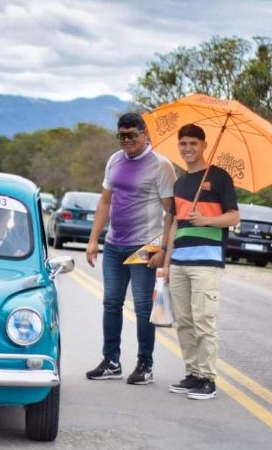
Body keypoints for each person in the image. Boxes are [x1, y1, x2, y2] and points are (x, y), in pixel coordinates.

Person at [84, 112, 176, 385]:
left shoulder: (161, 166)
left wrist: (162, 249)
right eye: (121, 135)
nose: (126, 141)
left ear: (144, 134)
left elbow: (171, 213)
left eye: (132, 135)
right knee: (111, 303)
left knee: (144, 306)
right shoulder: (114, 160)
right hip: (114, 244)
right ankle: (111, 361)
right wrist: (93, 239)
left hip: (145, 245)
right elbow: (104, 203)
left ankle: (145, 365)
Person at [163, 124, 239, 400]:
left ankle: (208, 379)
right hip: (180, 262)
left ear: (204, 145)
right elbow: (174, 226)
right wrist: (167, 263)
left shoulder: (219, 177)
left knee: (204, 321)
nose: (187, 149)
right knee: (183, 322)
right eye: (183, 144)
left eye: (193, 143)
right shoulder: (180, 183)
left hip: (206, 262)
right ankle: (193, 373)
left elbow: (233, 217)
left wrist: (206, 219)